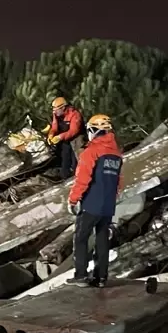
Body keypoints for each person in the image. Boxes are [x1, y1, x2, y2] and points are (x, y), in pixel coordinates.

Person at [67, 114, 123, 288]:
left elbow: (82, 179)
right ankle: (101, 277)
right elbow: (117, 182)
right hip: (107, 205)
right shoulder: (116, 155)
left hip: (91, 203)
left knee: (81, 238)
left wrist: (73, 199)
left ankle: (81, 276)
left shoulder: (91, 152)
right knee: (102, 239)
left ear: (94, 130)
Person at [47, 97, 85, 179]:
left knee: (76, 159)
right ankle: (64, 175)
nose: (54, 112)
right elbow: (54, 126)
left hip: (76, 138)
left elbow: (74, 131)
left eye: (56, 109)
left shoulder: (74, 114)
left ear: (63, 108)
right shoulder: (56, 114)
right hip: (65, 139)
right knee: (64, 157)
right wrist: (51, 134)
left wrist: (60, 137)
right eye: (53, 109)